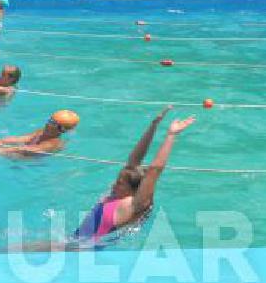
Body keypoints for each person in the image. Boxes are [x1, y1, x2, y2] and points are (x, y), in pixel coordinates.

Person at [11, 106, 196, 251]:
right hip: (74, 243)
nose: (115, 184)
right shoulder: (118, 195)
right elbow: (133, 160)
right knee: (17, 247)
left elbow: (154, 170)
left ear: (134, 190)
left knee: (15, 250)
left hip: (81, 250)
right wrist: (153, 126)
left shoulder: (134, 204)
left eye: (120, 184)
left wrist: (171, 135)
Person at [0, 110, 79, 160]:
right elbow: (21, 139)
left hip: (27, 157)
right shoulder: (43, 130)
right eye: (50, 119)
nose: (48, 123)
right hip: (22, 149)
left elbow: (23, 149)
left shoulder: (52, 144)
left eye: (53, 123)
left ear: (62, 130)